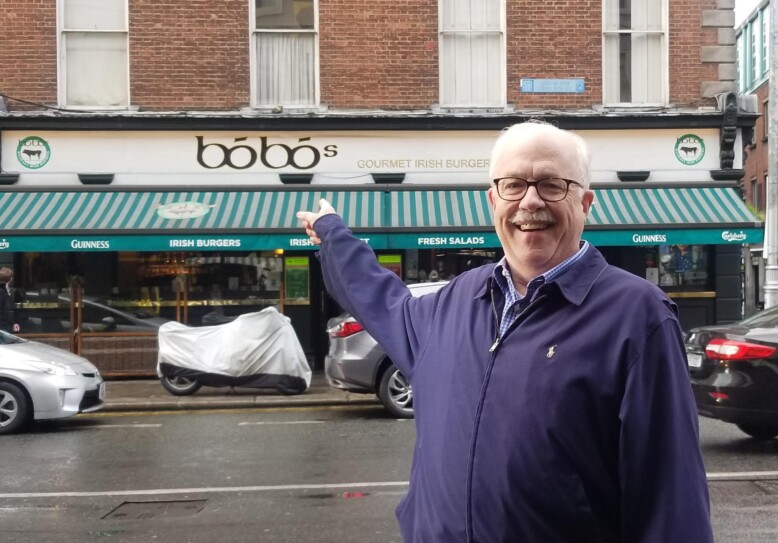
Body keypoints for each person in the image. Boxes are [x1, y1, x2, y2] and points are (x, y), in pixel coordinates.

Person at [297, 120, 713, 542]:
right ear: (494, 200)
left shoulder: (637, 315)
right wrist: (334, 236)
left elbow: (671, 496)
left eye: (552, 184)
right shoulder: (456, 300)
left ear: (585, 203)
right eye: (514, 185)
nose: (530, 201)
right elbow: (381, 300)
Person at [0, 267, 20, 333]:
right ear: (10, 279)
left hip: (7, 324)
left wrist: (13, 323)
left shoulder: (7, 290)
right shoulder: (2, 291)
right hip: (3, 325)